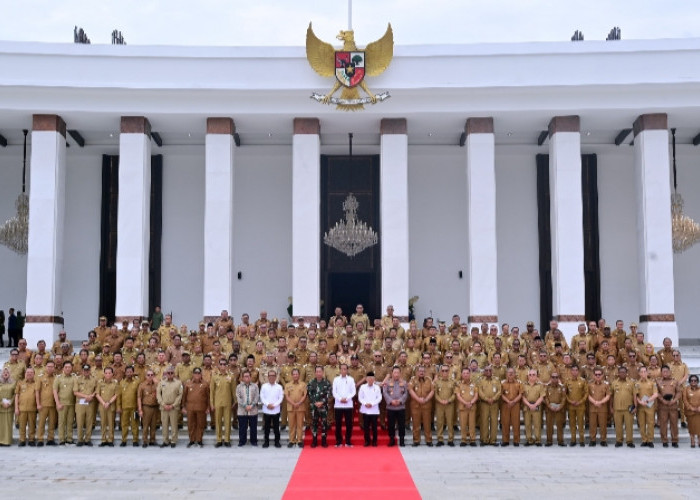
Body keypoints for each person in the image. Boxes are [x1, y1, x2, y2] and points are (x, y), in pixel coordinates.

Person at [210, 358, 235, 448]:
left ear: (227, 366)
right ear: (219, 365)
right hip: (217, 403)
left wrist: (235, 401)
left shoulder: (231, 376)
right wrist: (212, 404)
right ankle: (219, 440)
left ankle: (227, 440)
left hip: (227, 403)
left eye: (225, 364)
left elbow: (233, 390)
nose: (223, 366)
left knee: (227, 422)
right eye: (221, 364)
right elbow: (212, 391)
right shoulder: (214, 376)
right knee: (218, 422)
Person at [182, 367, 209, 448]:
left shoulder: (205, 384)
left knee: (200, 424)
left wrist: (208, 407)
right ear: (193, 374)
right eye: (195, 373)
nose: (197, 375)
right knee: (191, 425)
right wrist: (183, 407)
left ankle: (199, 440)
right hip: (190, 408)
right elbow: (184, 396)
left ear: (201, 374)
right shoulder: (188, 383)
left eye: (198, 373)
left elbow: (208, 397)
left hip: (201, 408)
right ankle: (192, 440)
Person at [610, 366, 636, 447]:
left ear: (626, 373)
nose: (622, 373)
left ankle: (629, 441)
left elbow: (634, 395)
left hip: (628, 408)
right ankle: (619, 441)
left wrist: (636, 407)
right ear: (618, 373)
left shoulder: (631, 383)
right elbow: (611, 396)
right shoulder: (614, 383)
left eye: (624, 372)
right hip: (617, 408)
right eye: (620, 372)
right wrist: (610, 407)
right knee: (618, 426)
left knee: (629, 426)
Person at [157, 366, 183, 448]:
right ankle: (165, 440)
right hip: (164, 407)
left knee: (174, 425)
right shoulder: (161, 382)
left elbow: (180, 395)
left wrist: (173, 405)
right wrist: (163, 404)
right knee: (164, 425)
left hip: (174, 407)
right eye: (168, 373)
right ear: (166, 374)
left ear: (174, 374)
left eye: (172, 373)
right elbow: (158, 394)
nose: (170, 374)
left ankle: (173, 441)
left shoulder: (178, 383)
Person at [383, 365, 408, 447]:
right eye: (395, 372)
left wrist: (400, 401)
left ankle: (401, 440)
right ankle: (391, 439)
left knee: (401, 424)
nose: (396, 374)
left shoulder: (404, 383)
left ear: (400, 373)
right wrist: (391, 401)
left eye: (398, 372)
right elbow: (385, 393)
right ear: (392, 373)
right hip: (391, 407)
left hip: (401, 407)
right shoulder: (387, 383)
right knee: (391, 425)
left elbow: (406, 394)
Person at [657, 364, 681, 448]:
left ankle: (674, 440)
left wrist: (674, 400)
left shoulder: (675, 381)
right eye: (663, 371)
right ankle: (664, 440)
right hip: (663, 406)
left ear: (670, 372)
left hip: (673, 405)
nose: (665, 373)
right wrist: (663, 400)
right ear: (661, 373)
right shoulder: (658, 381)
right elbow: (657, 393)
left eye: (667, 371)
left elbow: (678, 392)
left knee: (674, 423)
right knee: (663, 424)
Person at [332, 363, 356, 447]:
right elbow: (334, 392)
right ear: (339, 370)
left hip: (348, 404)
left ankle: (348, 441)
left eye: (345, 369)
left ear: (347, 370)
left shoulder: (351, 379)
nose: (343, 370)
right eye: (342, 369)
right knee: (338, 424)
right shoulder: (336, 379)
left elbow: (353, 391)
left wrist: (347, 398)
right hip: (338, 405)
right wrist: (340, 399)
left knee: (349, 424)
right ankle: (338, 441)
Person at [307, 365, 331, 448]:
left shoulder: (327, 383)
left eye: (320, 371)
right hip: (314, 407)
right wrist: (315, 402)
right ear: (315, 373)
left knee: (324, 424)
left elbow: (328, 394)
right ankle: (314, 440)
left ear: (323, 372)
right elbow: (310, 394)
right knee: (314, 424)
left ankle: (324, 440)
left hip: (323, 407)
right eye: (317, 372)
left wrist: (322, 402)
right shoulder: (311, 382)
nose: (318, 373)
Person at [73, 364, 97, 447]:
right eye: (84, 370)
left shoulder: (94, 379)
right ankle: (80, 439)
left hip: (90, 403)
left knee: (89, 422)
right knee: (79, 422)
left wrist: (92, 396)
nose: (86, 372)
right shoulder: (77, 379)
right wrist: (86, 396)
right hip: (80, 403)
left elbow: (96, 390)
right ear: (82, 371)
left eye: (87, 370)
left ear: (90, 371)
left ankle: (88, 439)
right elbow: (75, 392)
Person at [477, 365, 501, 446]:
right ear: (484, 372)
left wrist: (493, 399)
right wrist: (486, 399)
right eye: (486, 370)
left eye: (490, 370)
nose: (488, 372)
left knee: (494, 421)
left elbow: (499, 391)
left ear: (492, 371)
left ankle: (493, 440)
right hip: (484, 404)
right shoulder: (481, 381)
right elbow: (479, 391)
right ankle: (484, 439)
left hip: (494, 403)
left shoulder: (496, 380)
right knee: (484, 421)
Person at [117, 365, 140, 447]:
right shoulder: (122, 382)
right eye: (127, 372)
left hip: (134, 408)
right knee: (124, 425)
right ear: (125, 373)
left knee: (135, 425)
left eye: (131, 372)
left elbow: (139, 395)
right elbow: (119, 396)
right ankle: (124, 440)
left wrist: (139, 407)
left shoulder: (137, 382)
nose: (129, 373)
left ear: (133, 372)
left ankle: (135, 440)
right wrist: (118, 407)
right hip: (124, 408)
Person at [565, 365, 588, 447]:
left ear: (578, 371)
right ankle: (573, 439)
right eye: (573, 370)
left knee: (581, 423)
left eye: (576, 370)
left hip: (580, 406)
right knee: (572, 424)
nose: (574, 372)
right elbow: (565, 393)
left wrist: (581, 401)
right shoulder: (567, 381)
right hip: (571, 406)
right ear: (570, 371)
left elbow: (586, 393)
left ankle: (582, 440)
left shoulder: (583, 381)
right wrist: (570, 401)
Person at [35, 360, 57, 446]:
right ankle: (40, 439)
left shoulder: (56, 378)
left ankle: (50, 439)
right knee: (41, 423)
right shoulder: (40, 378)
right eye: (48, 366)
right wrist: (38, 404)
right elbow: (37, 391)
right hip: (43, 404)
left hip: (53, 404)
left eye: (52, 367)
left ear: (54, 368)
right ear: (45, 367)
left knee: (52, 423)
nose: (50, 368)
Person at [260, 369, 284, 448]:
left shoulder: (279, 387)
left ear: (276, 376)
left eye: (273, 376)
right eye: (270, 376)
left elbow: (281, 397)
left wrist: (275, 405)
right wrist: (267, 404)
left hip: (276, 410)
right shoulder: (264, 386)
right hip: (266, 410)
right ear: (268, 377)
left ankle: (277, 442)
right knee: (266, 428)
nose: (272, 377)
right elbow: (262, 397)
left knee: (276, 428)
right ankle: (266, 442)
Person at [434, 365, 456, 447]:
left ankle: (450, 439)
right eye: (443, 371)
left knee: (450, 422)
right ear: (440, 372)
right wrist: (440, 400)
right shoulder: (437, 382)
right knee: (440, 422)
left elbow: (455, 393)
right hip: (439, 404)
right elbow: (435, 393)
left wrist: (449, 400)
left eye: (446, 370)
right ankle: (440, 439)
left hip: (449, 404)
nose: (444, 372)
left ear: (449, 371)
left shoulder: (452, 382)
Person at [635, 366, 657, 447]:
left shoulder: (652, 383)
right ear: (639, 373)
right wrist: (640, 402)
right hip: (641, 406)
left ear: (647, 373)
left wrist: (647, 401)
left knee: (650, 423)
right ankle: (644, 440)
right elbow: (636, 395)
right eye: (642, 372)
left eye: (645, 371)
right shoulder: (637, 384)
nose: (643, 373)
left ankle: (650, 440)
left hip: (649, 406)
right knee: (642, 423)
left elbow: (655, 394)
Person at [522, 369, 545, 446]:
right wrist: (529, 405)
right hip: (527, 406)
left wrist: (535, 405)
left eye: (533, 375)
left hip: (537, 407)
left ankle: (538, 440)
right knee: (527, 424)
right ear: (528, 376)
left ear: (536, 376)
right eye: (530, 375)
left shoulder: (540, 385)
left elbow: (542, 397)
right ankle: (529, 440)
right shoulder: (524, 385)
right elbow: (523, 397)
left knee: (537, 424)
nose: (532, 376)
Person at [358, 370, 382, 447]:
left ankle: (375, 441)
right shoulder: (362, 387)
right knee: (366, 427)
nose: (370, 380)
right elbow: (360, 397)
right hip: (365, 410)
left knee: (374, 427)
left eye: (372, 379)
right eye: (369, 379)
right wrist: (365, 403)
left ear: (374, 379)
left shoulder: (377, 387)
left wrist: (372, 404)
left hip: (374, 410)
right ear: (366, 379)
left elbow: (379, 398)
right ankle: (367, 441)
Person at [283, 368, 306, 448]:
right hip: (291, 407)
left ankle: (299, 440)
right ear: (291, 375)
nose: (295, 375)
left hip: (300, 407)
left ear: (299, 375)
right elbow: (287, 396)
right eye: (294, 374)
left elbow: (304, 395)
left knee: (300, 424)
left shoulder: (303, 384)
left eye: (297, 374)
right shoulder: (287, 385)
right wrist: (293, 403)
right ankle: (291, 440)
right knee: (291, 425)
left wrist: (299, 403)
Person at [96, 366, 119, 446]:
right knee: (103, 423)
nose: (108, 374)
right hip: (102, 405)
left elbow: (116, 395)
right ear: (104, 374)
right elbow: (97, 394)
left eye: (109, 373)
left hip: (111, 405)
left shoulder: (115, 383)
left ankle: (110, 440)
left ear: (112, 374)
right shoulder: (100, 382)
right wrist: (103, 403)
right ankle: (103, 439)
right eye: (106, 373)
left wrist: (109, 402)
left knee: (111, 423)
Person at [236, 370, 260, 446]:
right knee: (242, 427)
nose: (247, 378)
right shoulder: (239, 387)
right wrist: (245, 406)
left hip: (253, 410)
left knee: (253, 427)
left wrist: (251, 405)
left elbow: (256, 397)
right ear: (242, 378)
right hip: (242, 410)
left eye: (249, 376)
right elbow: (238, 397)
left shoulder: (255, 386)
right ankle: (242, 441)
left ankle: (254, 441)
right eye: (245, 376)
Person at [15, 367, 38, 446]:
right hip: (22, 408)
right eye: (27, 372)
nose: (29, 374)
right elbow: (17, 396)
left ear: (34, 374)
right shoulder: (20, 383)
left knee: (32, 425)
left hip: (32, 408)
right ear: (25, 374)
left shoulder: (36, 383)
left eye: (31, 373)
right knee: (22, 426)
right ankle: (22, 440)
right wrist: (16, 408)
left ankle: (31, 439)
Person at [500, 367, 522, 447]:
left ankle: (516, 440)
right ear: (506, 374)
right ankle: (505, 440)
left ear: (515, 374)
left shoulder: (518, 383)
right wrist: (508, 401)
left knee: (516, 423)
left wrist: (514, 401)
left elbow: (520, 394)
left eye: (512, 373)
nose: (510, 374)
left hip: (515, 404)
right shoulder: (503, 383)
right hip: (506, 405)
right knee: (505, 423)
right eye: (509, 373)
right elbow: (501, 394)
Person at [138, 369, 159, 447]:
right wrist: (140, 409)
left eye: (151, 375)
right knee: (145, 425)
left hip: (155, 407)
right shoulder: (142, 385)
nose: (150, 376)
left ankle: (152, 440)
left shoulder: (156, 385)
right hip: (146, 407)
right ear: (145, 376)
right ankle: (145, 441)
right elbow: (139, 397)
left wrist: (157, 382)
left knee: (153, 425)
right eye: (148, 375)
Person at [545, 372, 567, 447]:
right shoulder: (547, 387)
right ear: (550, 378)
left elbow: (564, 398)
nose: (555, 379)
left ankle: (560, 441)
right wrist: (549, 406)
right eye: (553, 377)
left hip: (559, 408)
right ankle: (549, 441)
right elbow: (546, 398)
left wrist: (560, 406)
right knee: (549, 425)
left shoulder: (562, 387)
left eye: (556, 377)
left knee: (559, 425)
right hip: (550, 408)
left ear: (558, 378)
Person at [683, 374, 700, 448]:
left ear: (697, 381)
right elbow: (685, 400)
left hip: (699, 412)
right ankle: (692, 441)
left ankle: (699, 441)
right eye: (692, 380)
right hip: (690, 412)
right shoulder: (686, 389)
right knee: (691, 427)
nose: (693, 382)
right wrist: (691, 408)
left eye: (695, 380)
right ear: (689, 381)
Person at [0, 367, 16, 445]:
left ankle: (7, 441)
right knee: (1, 425)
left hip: (9, 406)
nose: (5, 374)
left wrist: (10, 402)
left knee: (8, 425)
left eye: (7, 372)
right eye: (4, 372)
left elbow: (15, 394)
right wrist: (1, 403)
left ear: (9, 374)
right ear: (1, 374)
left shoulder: (13, 383)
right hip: (1, 406)